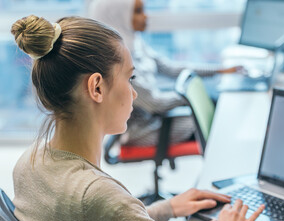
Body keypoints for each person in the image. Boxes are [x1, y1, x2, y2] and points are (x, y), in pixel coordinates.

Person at [11, 15, 264, 221]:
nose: (133, 93)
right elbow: (107, 212)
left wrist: (168, 208)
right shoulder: (99, 196)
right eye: (129, 78)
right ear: (96, 88)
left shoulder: (29, 162)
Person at [88, 0, 243, 146]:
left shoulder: (135, 44)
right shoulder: (118, 62)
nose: (145, 16)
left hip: (159, 118)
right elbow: (155, 104)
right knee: (216, 123)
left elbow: (169, 68)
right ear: (118, 16)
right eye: (138, 11)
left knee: (215, 112)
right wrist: (196, 96)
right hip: (146, 129)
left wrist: (219, 70)